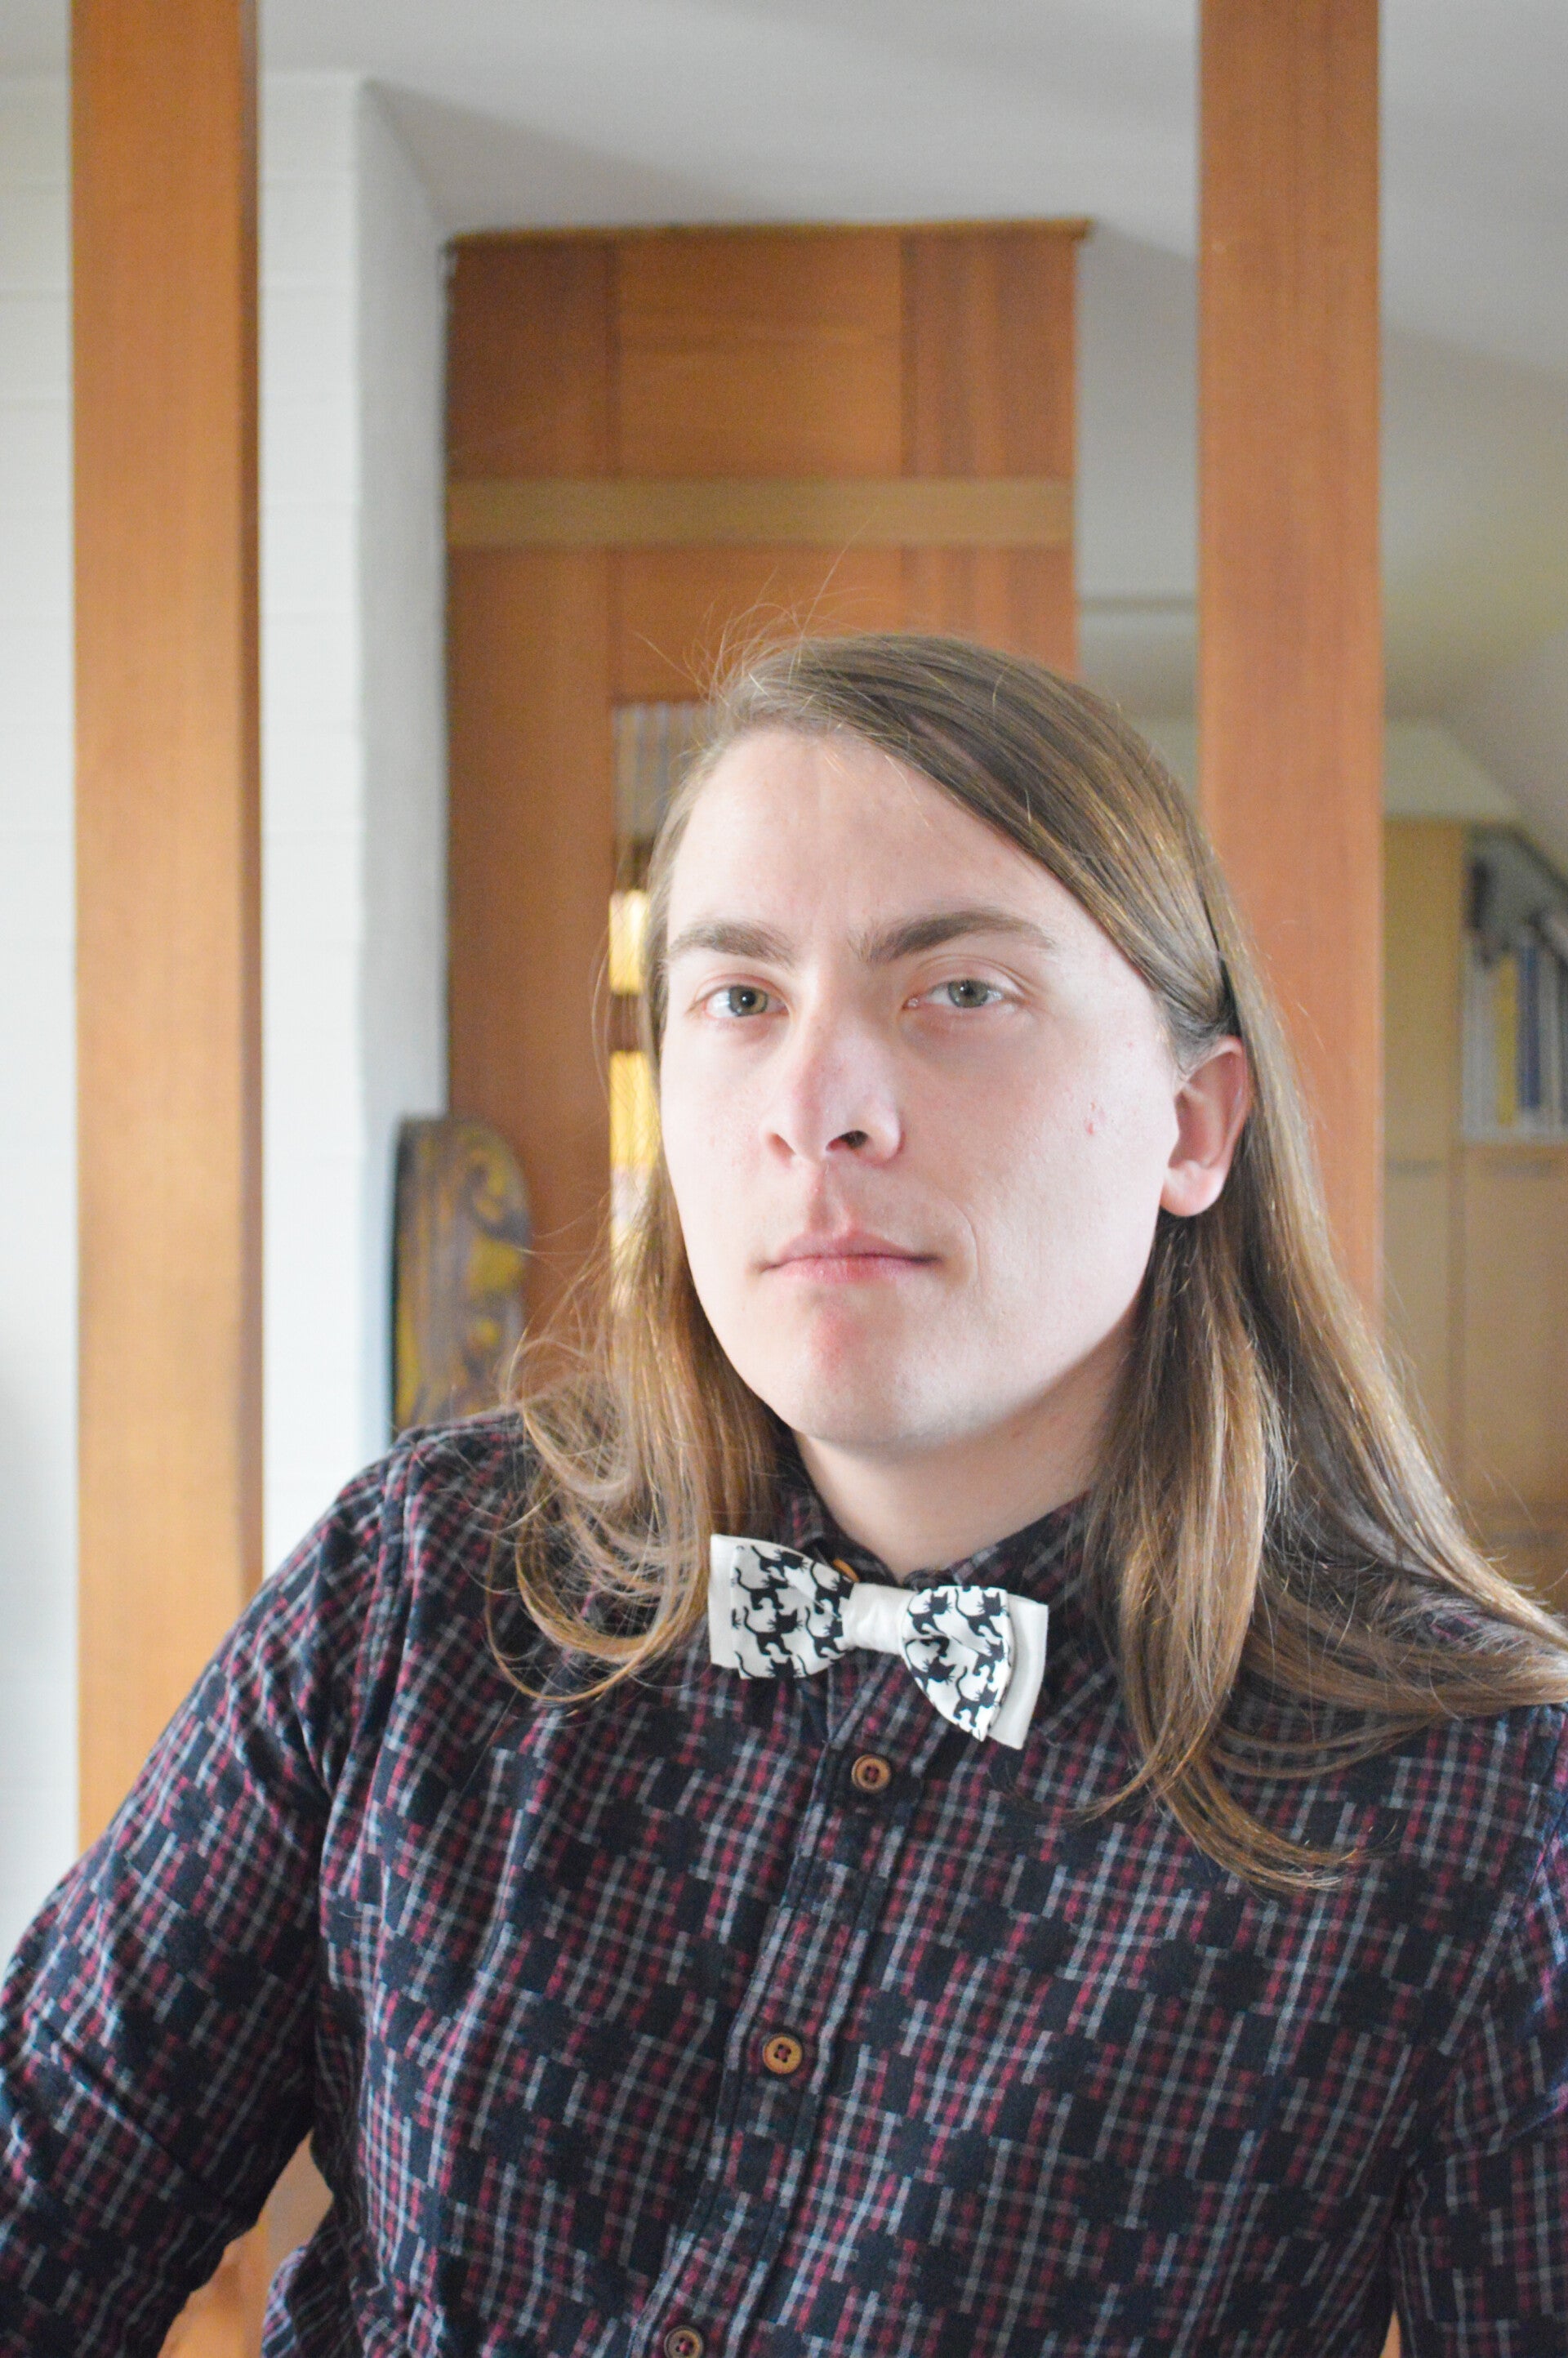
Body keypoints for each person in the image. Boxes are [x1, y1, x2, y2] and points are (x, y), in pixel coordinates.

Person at [3, 634, 1568, 2357]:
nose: (816, 1107)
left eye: (959, 991)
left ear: (1193, 1125)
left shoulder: (1483, 1802)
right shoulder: (417, 1582)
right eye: (741, 1000)